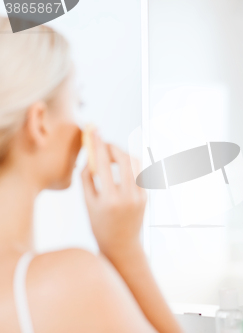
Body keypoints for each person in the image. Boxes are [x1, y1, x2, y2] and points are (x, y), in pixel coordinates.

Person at [0, 17, 183, 333]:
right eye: (78, 102)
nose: (84, 125)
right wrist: (124, 248)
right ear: (39, 123)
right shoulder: (67, 283)